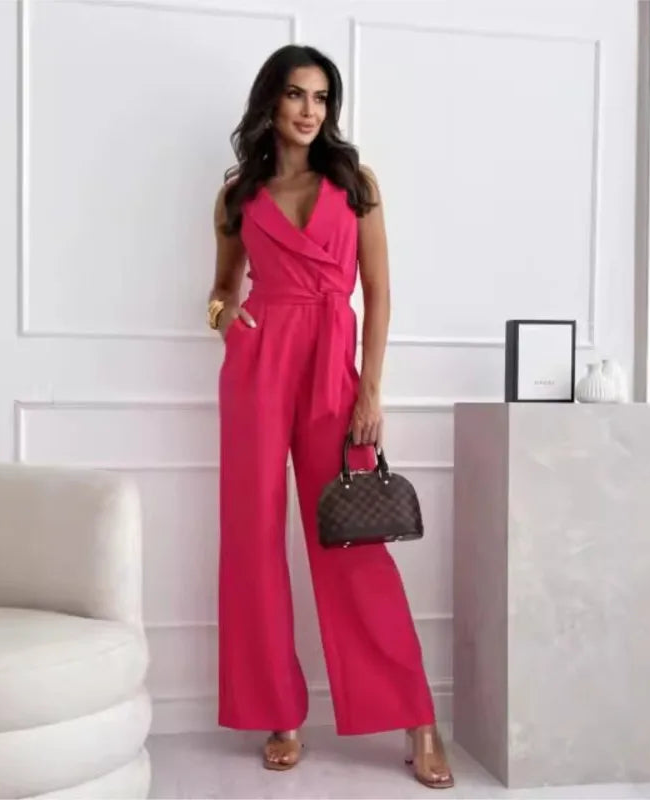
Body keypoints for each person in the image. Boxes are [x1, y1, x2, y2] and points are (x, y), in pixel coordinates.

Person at [207, 44, 454, 789]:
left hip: (332, 370)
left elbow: (377, 293)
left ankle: (417, 718)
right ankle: (279, 713)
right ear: (271, 102)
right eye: (295, 94)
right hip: (257, 369)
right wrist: (225, 319)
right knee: (252, 541)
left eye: (321, 97)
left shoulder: (355, 183)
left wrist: (369, 391)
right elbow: (220, 289)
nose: (309, 110)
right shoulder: (237, 196)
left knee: (352, 542)